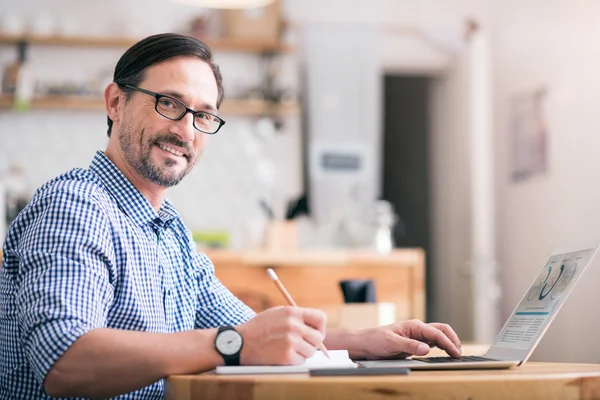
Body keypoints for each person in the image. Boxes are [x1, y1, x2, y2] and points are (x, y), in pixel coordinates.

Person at [0, 33, 462, 400]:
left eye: (204, 115)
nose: (185, 130)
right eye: (169, 103)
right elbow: (64, 360)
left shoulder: (169, 231)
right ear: (115, 103)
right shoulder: (76, 205)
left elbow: (251, 332)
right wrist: (232, 343)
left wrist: (367, 340)